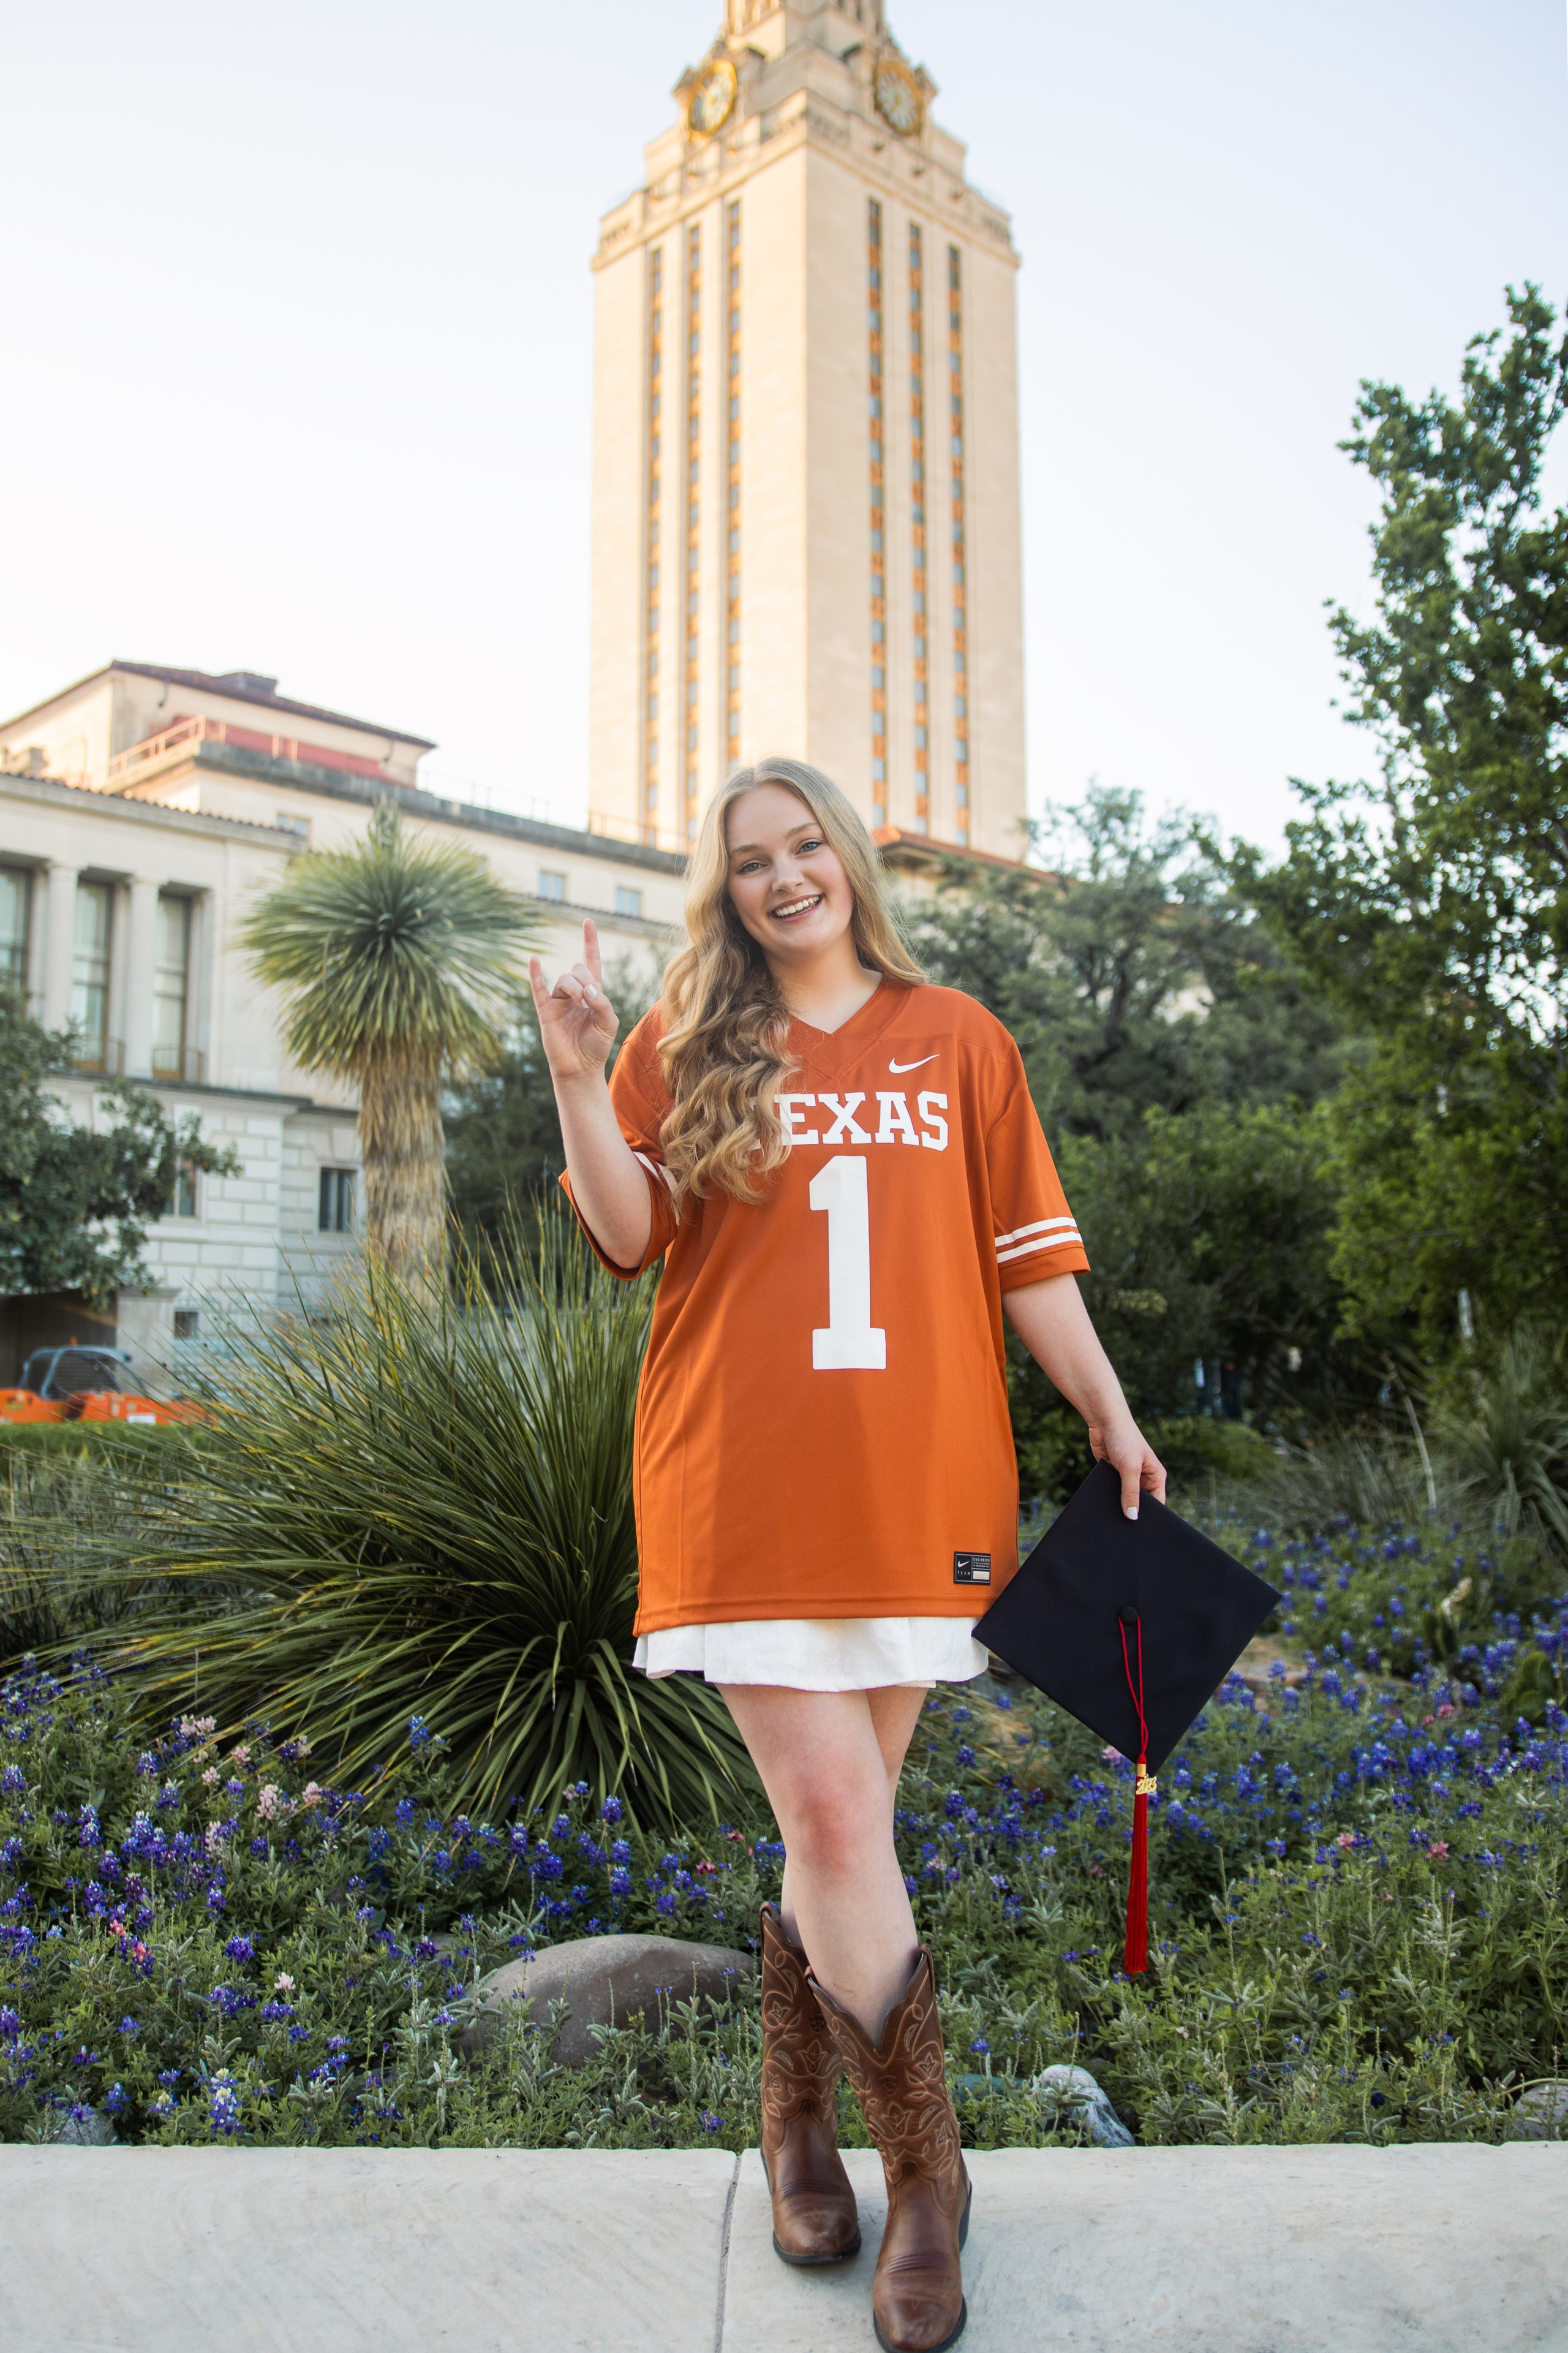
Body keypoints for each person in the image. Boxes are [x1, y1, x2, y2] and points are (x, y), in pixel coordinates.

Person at [530, 757, 1164, 2353]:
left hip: (921, 1489)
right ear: (725, 887)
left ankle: (795, 2117)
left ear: (849, 858)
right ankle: (930, 2184)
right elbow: (622, 1233)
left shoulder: (962, 1039)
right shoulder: (690, 1036)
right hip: (740, 1483)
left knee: (846, 1834)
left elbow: (1034, 1261)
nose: (783, 875)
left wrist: (1108, 1411)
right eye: (751, 859)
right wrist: (577, 1070)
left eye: (806, 844)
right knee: (830, 1808)